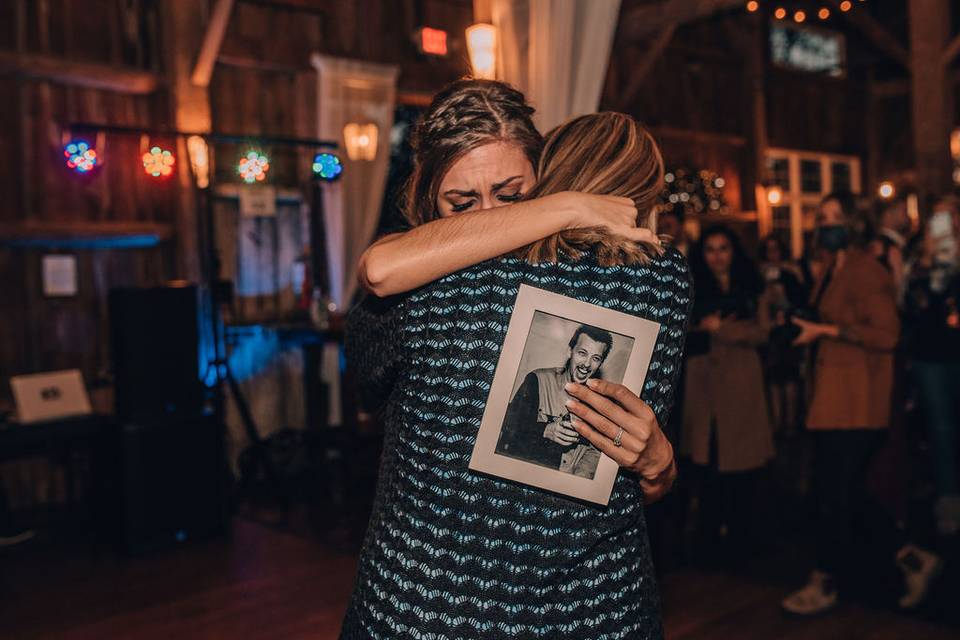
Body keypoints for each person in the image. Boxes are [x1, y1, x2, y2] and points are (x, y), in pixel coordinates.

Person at [342, 87, 690, 638]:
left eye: (511, 196)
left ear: (544, 177)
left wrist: (659, 460)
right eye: (462, 206)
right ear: (425, 198)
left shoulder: (416, 295)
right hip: (578, 609)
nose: (489, 223)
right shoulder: (661, 276)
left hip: (438, 607)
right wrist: (567, 207)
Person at [781, 191, 940, 615]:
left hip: (856, 401)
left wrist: (827, 331)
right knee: (842, 495)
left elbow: (886, 335)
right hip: (831, 400)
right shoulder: (831, 269)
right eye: (821, 218)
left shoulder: (866, 269)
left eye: (833, 219)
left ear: (850, 223)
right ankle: (912, 558)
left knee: (836, 497)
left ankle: (826, 582)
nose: (824, 226)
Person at [682, 225, 774, 556]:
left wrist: (721, 329)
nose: (718, 256)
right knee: (707, 463)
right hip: (704, 382)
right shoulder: (692, 287)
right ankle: (708, 541)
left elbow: (763, 332)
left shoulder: (751, 286)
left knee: (742, 466)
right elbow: (683, 334)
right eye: (710, 249)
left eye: (724, 248)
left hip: (741, 381)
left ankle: (741, 539)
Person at [903, 195, 960, 536]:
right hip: (931, 356)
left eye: (951, 216)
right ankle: (949, 500)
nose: (945, 225)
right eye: (937, 218)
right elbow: (910, 306)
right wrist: (926, 259)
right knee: (940, 430)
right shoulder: (919, 262)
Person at [497, 324, 613, 478]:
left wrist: (575, 483)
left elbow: (595, 451)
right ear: (570, 351)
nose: (586, 364)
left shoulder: (601, 404)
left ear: (600, 363)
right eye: (582, 353)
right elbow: (508, 427)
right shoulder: (538, 380)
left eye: (596, 358)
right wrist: (545, 430)